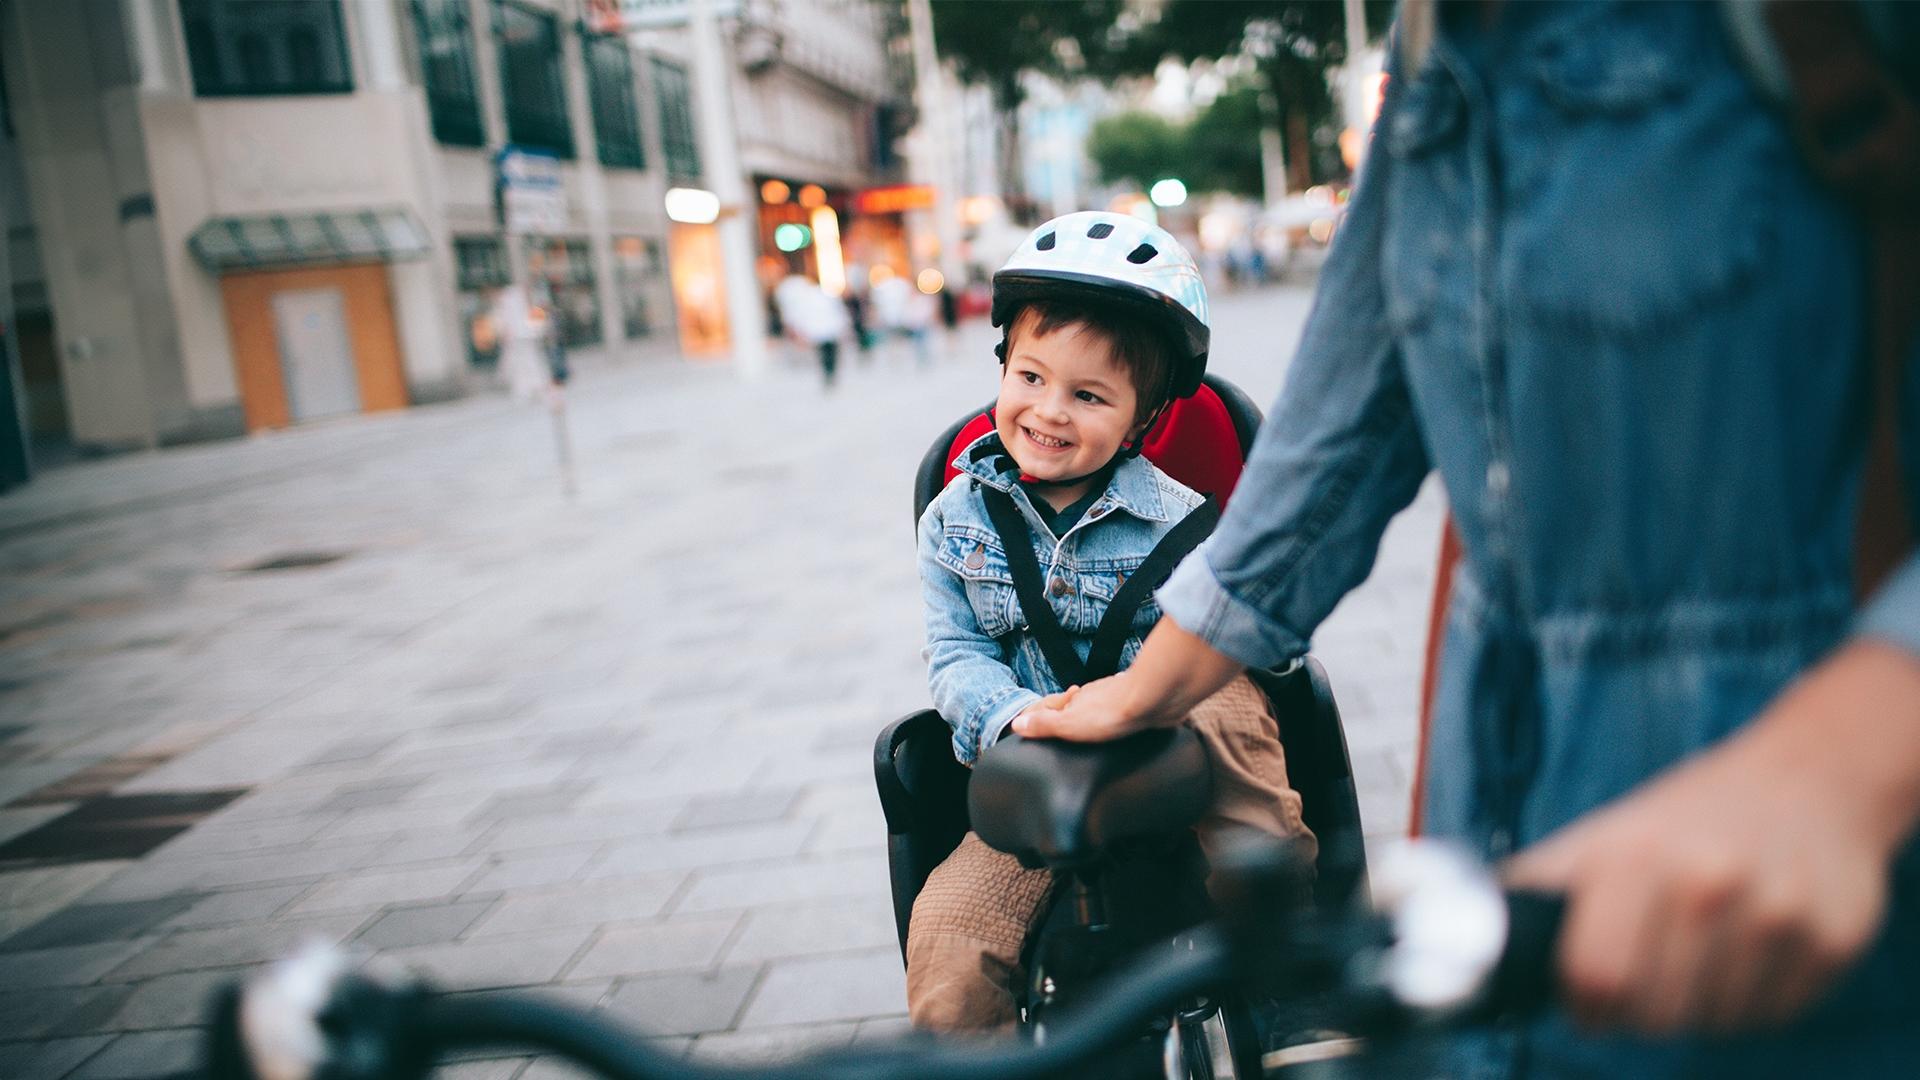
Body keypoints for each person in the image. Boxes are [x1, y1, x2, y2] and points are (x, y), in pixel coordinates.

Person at [1015, 2, 1920, 1075]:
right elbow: (1334, 431)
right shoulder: (1434, 43)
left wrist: (1843, 765)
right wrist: (1142, 686)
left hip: (1798, 851)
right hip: (1495, 820)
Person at [908, 212, 1313, 1033]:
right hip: (1038, 767)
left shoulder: (1190, 521)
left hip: (1185, 751)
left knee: (1221, 691)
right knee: (948, 947)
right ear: (1003, 368)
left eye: (1088, 395)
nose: (1049, 411)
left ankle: (1285, 963)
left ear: (1140, 419)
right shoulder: (955, 520)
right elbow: (955, 651)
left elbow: (1267, 632)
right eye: (1030, 378)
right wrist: (1016, 714)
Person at [772, 272, 851, 387]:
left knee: (825, 352)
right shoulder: (823, 296)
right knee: (830, 352)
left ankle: (828, 372)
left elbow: (802, 316)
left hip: (821, 329)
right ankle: (830, 371)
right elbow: (838, 311)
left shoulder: (811, 298)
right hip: (826, 329)